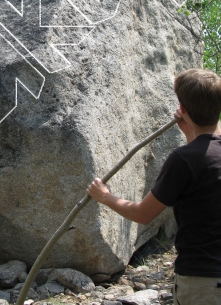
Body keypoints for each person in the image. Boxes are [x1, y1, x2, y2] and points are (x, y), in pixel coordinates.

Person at [87, 68, 221, 305]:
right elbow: (208, 150)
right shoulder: (198, 156)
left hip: (201, 280)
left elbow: (143, 214)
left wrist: (105, 196)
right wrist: (191, 130)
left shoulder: (183, 160)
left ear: (183, 109)